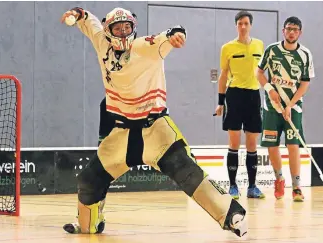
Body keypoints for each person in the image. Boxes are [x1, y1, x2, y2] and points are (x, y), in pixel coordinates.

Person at [60, 6, 247, 237]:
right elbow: (89, 22)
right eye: (117, 28)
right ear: (108, 31)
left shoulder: (144, 46)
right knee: (89, 180)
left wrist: (177, 35)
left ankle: (232, 216)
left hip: (156, 129)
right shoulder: (101, 42)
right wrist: (76, 14)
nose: (123, 32)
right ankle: (90, 225)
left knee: (187, 172)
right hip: (121, 134)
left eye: (127, 27)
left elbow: (167, 36)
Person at [256, 16, 314, 202]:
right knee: (272, 145)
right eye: (288, 29)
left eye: (295, 29)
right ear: (283, 31)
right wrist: (270, 90)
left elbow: (305, 84)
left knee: (293, 145)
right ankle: (279, 179)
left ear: (300, 32)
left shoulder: (305, 54)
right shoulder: (272, 50)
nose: (291, 32)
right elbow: (259, 73)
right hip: (272, 108)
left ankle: (296, 186)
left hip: (293, 107)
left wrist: (289, 105)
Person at [214, 11, 265, 199]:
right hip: (234, 96)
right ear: (236, 26)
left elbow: (261, 73)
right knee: (234, 142)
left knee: (252, 143)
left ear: (250, 25)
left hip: (253, 96)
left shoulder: (260, 45)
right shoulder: (227, 48)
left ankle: (252, 187)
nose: (243, 27)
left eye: (246, 23)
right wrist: (220, 103)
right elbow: (223, 75)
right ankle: (233, 186)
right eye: (239, 24)